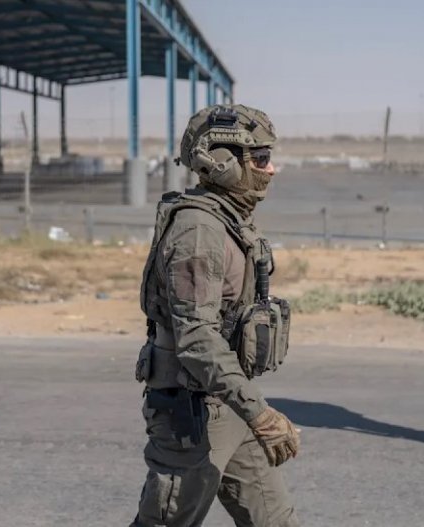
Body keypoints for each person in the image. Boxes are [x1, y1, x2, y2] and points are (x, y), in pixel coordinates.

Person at [131, 104, 301, 526]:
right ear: (223, 162)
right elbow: (197, 339)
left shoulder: (228, 220)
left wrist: (248, 409)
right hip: (191, 412)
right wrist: (259, 413)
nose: (270, 169)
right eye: (260, 158)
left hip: (225, 399)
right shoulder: (198, 230)